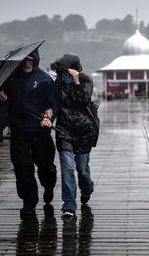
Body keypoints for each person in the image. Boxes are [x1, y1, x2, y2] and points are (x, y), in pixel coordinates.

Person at [0, 47, 57, 218]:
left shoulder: (45, 80)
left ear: (35, 60)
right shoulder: (11, 79)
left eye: (30, 60)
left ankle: (49, 186)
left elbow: (53, 104)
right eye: (24, 60)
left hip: (39, 130)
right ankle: (29, 201)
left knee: (45, 166)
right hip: (18, 129)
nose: (26, 63)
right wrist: (1, 98)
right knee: (22, 166)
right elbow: (4, 101)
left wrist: (49, 116)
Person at [51, 54, 99, 219]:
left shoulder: (86, 81)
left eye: (67, 71)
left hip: (84, 131)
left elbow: (83, 101)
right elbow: (54, 105)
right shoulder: (57, 85)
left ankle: (87, 189)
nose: (65, 75)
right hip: (64, 130)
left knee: (82, 170)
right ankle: (69, 204)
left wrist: (77, 81)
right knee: (68, 168)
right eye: (62, 72)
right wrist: (47, 117)